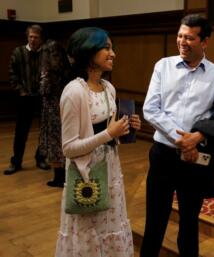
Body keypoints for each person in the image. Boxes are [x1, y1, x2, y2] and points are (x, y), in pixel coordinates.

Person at [142, 14, 214, 257]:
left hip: (195, 159)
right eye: (180, 36)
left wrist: (196, 138)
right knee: (155, 220)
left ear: (204, 41)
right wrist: (182, 141)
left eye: (190, 38)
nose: (182, 42)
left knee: (189, 221)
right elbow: (150, 109)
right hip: (163, 155)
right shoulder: (162, 66)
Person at [54, 27, 140, 257]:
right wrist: (109, 134)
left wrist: (126, 129)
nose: (113, 54)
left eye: (112, 48)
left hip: (110, 170)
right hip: (86, 176)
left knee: (110, 227)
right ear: (88, 52)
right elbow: (69, 148)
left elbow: (109, 134)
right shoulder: (74, 92)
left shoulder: (108, 88)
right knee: (89, 234)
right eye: (107, 48)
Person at [4, 24, 50, 175]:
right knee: (21, 132)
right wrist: (21, 90)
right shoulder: (18, 52)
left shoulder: (46, 53)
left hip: (43, 97)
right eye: (30, 36)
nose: (32, 39)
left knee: (44, 131)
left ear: (41, 38)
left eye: (36, 37)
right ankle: (16, 161)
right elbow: (12, 74)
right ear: (27, 37)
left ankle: (41, 158)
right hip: (25, 98)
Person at [39, 39, 71, 187]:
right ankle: (64, 175)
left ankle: (59, 178)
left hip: (52, 112)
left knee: (54, 144)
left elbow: (44, 90)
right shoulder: (67, 69)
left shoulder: (49, 72)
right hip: (64, 110)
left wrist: (42, 79)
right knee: (62, 142)